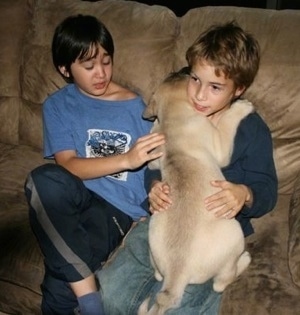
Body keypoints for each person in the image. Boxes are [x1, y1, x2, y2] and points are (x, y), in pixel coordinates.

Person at [97, 21, 278, 314]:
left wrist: (243, 193)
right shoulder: (176, 104)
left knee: (180, 307)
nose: (199, 95)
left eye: (215, 87)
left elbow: (268, 189)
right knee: (110, 294)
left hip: (210, 232)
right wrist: (154, 186)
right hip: (168, 222)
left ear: (238, 89)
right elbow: (155, 162)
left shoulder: (251, 128)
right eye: (195, 79)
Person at [24, 14, 165, 315]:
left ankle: (87, 299)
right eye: (88, 66)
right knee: (41, 179)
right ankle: (89, 290)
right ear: (65, 69)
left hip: (114, 210)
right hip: (72, 195)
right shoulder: (57, 106)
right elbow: (67, 165)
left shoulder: (135, 107)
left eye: (106, 61)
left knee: (60, 284)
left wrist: (147, 207)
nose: (101, 73)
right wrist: (126, 159)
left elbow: (156, 166)